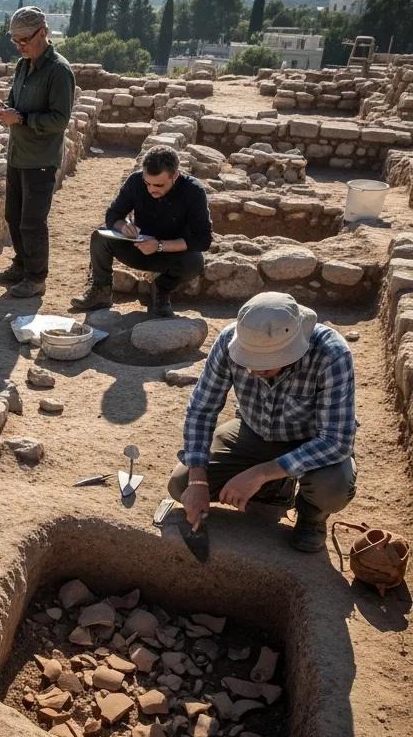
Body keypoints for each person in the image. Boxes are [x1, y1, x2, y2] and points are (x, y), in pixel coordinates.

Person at [168, 292, 357, 553]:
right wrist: (198, 481)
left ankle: (311, 516)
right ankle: (272, 488)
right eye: (248, 359)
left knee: (332, 487)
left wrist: (261, 473)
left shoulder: (331, 353)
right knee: (181, 484)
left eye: (266, 362)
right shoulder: (228, 340)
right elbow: (202, 409)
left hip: (310, 441)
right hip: (252, 431)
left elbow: (337, 441)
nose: (254, 369)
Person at [0, 6, 74, 298]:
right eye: (15, 41)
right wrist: (2, 108)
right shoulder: (23, 66)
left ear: (43, 33)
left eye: (24, 40)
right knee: (14, 215)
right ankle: (22, 265)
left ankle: (37, 279)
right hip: (18, 153)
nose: (19, 46)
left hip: (40, 158)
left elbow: (60, 119)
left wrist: (22, 119)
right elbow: (17, 104)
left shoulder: (59, 71)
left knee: (33, 221)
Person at [71, 145, 211, 318]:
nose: (152, 189)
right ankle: (101, 291)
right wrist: (123, 226)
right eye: (148, 183)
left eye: (159, 185)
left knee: (195, 261)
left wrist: (159, 246)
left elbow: (203, 239)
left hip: (170, 255)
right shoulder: (136, 181)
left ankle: (160, 291)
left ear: (175, 176)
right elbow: (113, 214)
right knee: (100, 236)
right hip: (137, 248)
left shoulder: (193, 191)